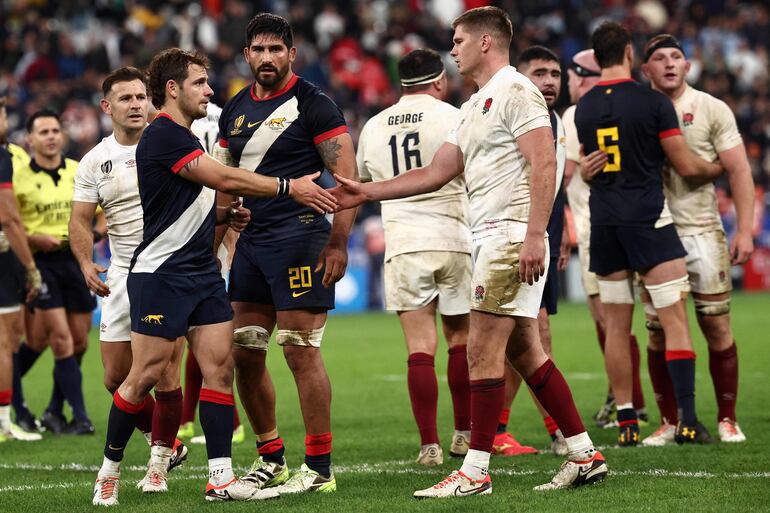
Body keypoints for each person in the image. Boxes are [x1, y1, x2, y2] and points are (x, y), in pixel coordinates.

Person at [333, 7, 607, 496]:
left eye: (458, 40)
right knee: (526, 351)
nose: (452, 49)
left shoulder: (517, 90)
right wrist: (365, 192)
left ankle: (475, 471)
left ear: (485, 42)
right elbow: (436, 172)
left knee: (481, 350)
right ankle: (585, 454)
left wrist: (532, 235)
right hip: (489, 237)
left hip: (508, 236)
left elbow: (543, 163)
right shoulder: (479, 102)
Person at [91, 48, 336, 506]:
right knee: (141, 376)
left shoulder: (182, 134)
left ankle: (219, 478)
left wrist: (225, 214)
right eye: (200, 83)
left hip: (203, 273)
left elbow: (198, 196)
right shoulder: (162, 134)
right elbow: (222, 176)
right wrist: (289, 187)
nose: (209, 90)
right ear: (173, 89)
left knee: (219, 371)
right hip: (161, 274)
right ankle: (109, 472)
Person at [213, 13, 357, 495]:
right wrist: (227, 231)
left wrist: (338, 242)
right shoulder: (233, 109)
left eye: (277, 49)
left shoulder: (314, 104)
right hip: (252, 245)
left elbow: (349, 181)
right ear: (247, 54)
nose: (267, 57)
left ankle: (319, 468)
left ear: (292, 54)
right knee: (244, 351)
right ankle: (270, 457)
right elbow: (224, 183)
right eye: (259, 49)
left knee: (299, 352)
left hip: (300, 239)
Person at [575, 22, 723, 447]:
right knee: (674, 320)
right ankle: (689, 421)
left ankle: (626, 422)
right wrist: (720, 167)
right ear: (627, 54)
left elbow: (590, 167)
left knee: (617, 328)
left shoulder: (583, 108)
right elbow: (688, 166)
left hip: (604, 225)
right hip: (648, 221)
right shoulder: (652, 102)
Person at [70, 67, 190, 494]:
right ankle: (166, 444)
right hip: (121, 274)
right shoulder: (94, 161)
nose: (137, 104)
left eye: (142, 96)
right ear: (107, 107)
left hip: (167, 270)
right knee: (115, 377)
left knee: (166, 374)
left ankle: (159, 463)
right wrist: (86, 262)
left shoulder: (173, 143)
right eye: (126, 99)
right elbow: (80, 220)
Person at [355, 48, 472, 466]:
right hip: (455, 236)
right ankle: (464, 434)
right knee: (461, 341)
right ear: (440, 81)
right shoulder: (456, 116)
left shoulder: (374, 125)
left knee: (419, 347)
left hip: (404, 242)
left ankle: (429, 447)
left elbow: (361, 184)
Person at [639, 34, 754, 445]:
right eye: (659, 58)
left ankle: (727, 418)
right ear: (645, 68)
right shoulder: (638, 107)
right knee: (657, 331)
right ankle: (671, 422)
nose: (669, 63)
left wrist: (743, 228)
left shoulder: (710, 108)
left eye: (676, 57)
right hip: (653, 232)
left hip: (702, 230)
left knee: (716, 326)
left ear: (687, 66)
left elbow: (739, 170)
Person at [492, 45, 573, 457]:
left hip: (538, 240)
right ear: (519, 77)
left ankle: (498, 430)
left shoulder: (554, 119)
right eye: (539, 72)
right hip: (511, 240)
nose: (549, 81)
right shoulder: (510, 113)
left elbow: (555, 181)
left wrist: (561, 228)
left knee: (524, 339)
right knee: (529, 336)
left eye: (555, 73)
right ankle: (557, 431)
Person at [563, 49, 647, 429]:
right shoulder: (635, 106)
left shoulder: (575, 114)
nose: (565, 83)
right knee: (641, 321)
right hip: (641, 222)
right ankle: (627, 399)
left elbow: (564, 177)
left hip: (598, 229)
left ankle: (633, 403)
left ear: (583, 76)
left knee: (610, 321)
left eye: (568, 75)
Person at [11, 109, 96, 435]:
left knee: (77, 343)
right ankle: (81, 417)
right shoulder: (18, 179)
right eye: (42, 131)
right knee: (60, 339)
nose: (50, 136)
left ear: (62, 135)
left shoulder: (78, 171)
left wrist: (96, 234)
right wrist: (33, 239)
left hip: (75, 260)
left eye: (54, 130)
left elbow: (98, 213)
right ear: (30, 139)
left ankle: (49, 410)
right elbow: (11, 222)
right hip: (39, 262)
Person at [178, 101, 245, 446]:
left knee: (203, 333)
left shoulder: (173, 124)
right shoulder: (226, 118)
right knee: (198, 335)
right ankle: (188, 419)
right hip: (207, 226)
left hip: (204, 228)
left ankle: (229, 422)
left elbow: (225, 181)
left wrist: (228, 238)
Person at [0, 95, 42, 442]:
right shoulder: (3, 156)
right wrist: (29, 266)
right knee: (7, 341)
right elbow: (9, 217)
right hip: (2, 257)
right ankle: (3, 425)